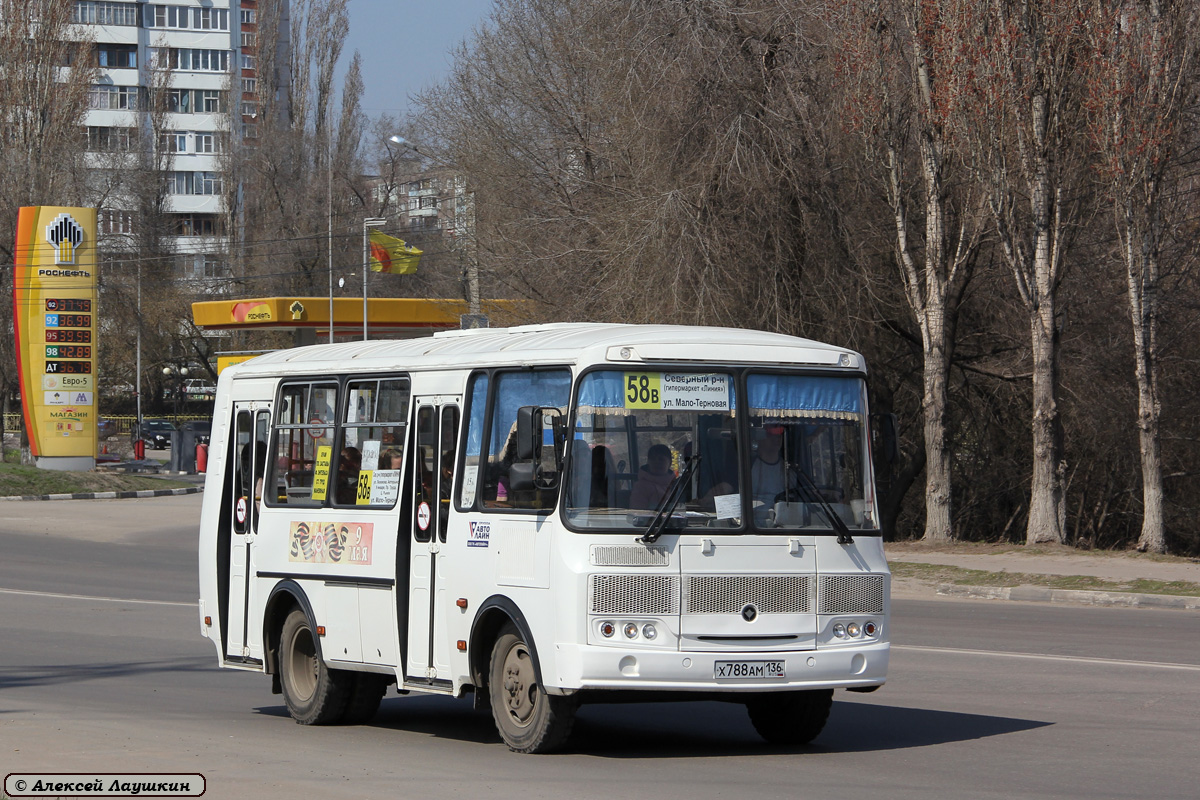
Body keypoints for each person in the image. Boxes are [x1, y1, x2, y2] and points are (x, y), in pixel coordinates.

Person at [750, 425, 796, 506]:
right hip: (754, 517)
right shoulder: (748, 468)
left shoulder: (789, 470)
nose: (776, 440)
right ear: (759, 439)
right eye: (771, 436)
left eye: (779, 436)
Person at [629, 443, 675, 510]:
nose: (656, 462)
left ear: (670, 463)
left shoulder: (677, 484)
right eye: (652, 459)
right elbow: (639, 514)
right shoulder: (641, 486)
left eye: (661, 459)